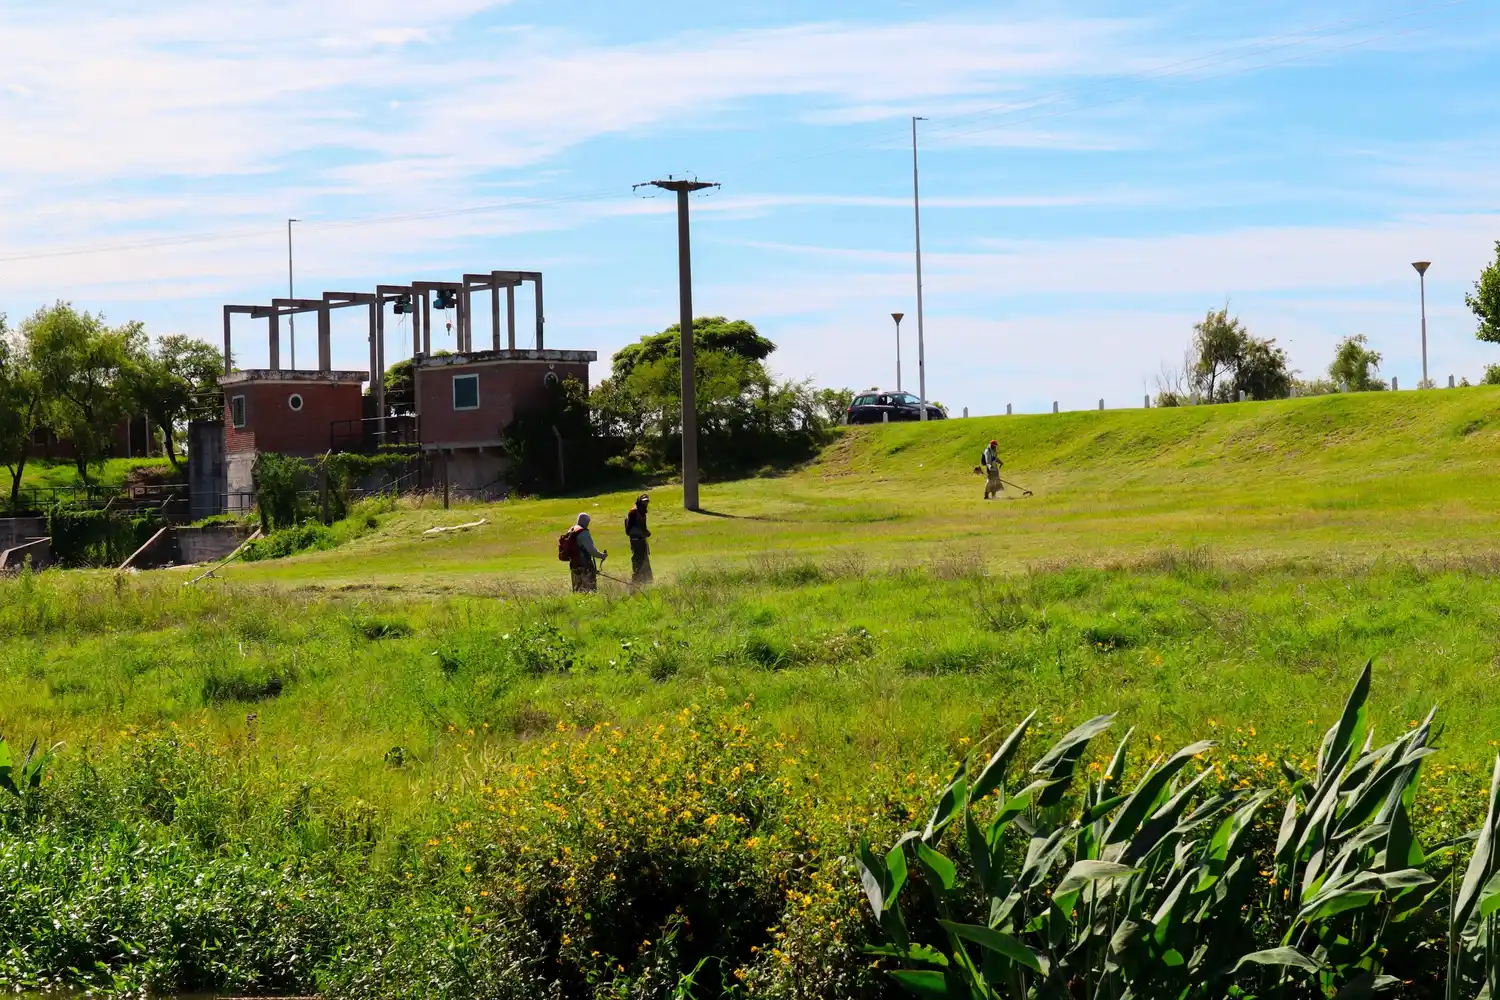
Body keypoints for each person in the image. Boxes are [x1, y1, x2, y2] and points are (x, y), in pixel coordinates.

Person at [563, 513, 607, 593]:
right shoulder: (583, 532)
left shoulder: (571, 530)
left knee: (577, 591)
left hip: (574, 565)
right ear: (586, 522)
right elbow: (592, 551)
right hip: (584, 566)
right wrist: (602, 556)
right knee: (590, 591)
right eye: (588, 522)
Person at [625, 493, 653, 585]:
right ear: (640, 502)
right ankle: (636, 582)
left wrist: (646, 532)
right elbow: (629, 530)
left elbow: (642, 527)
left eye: (647, 502)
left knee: (645, 560)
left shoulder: (642, 512)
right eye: (644, 502)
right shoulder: (633, 512)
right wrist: (643, 532)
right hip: (636, 540)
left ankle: (647, 581)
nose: (646, 504)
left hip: (642, 540)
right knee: (638, 561)